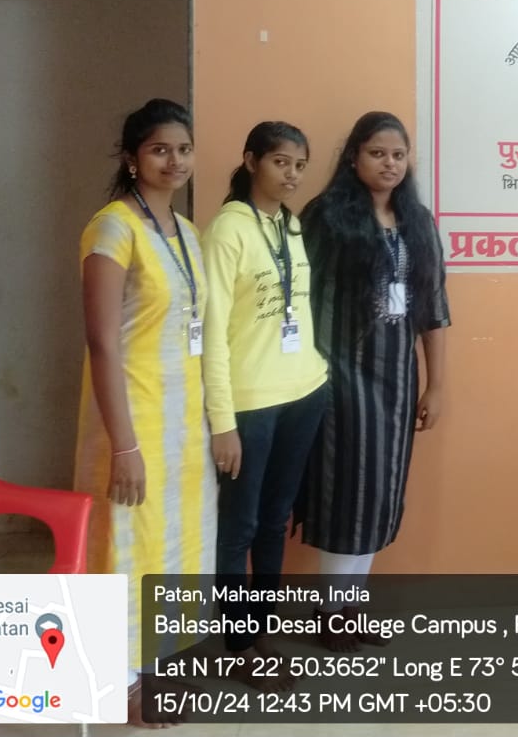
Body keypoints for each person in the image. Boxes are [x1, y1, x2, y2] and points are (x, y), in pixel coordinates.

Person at [73, 98, 213, 728]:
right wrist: (124, 445)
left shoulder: (186, 231)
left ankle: (153, 665)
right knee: (126, 545)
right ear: (132, 158)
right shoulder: (112, 227)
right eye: (159, 149)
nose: (174, 161)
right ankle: (120, 680)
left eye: (183, 149)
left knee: (171, 547)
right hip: (129, 421)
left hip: (182, 425)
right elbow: (102, 341)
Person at [296, 111, 451, 652]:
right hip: (340, 376)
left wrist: (437, 385)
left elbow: (433, 307)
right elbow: (298, 298)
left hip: (398, 378)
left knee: (381, 494)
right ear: (354, 157)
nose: (389, 164)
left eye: (398, 155)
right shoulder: (327, 217)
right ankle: (329, 612)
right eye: (377, 153)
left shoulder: (417, 221)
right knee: (349, 493)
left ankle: (349, 607)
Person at [202, 122, 329, 690]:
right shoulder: (227, 230)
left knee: (275, 521)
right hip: (250, 405)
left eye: (300, 165)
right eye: (281, 162)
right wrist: (222, 421)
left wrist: (318, 374)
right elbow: (211, 332)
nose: (292, 174)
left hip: (303, 393)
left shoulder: (290, 225)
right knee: (240, 526)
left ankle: (261, 629)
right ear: (251, 161)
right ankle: (237, 645)